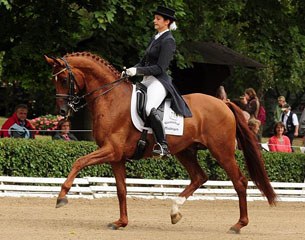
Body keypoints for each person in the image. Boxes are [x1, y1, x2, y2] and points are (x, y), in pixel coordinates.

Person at [124, 6, 192, 157]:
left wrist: (138, 71)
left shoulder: (168, 41)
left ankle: (163, 145)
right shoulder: (155, 38)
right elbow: (143, 62)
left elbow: (160, 68)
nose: (154, 20)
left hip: (159, 82)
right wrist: (130, 70)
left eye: (158, 19)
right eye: (155, 18)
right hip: (146, 80)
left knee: (149, 108)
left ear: (167, 22)